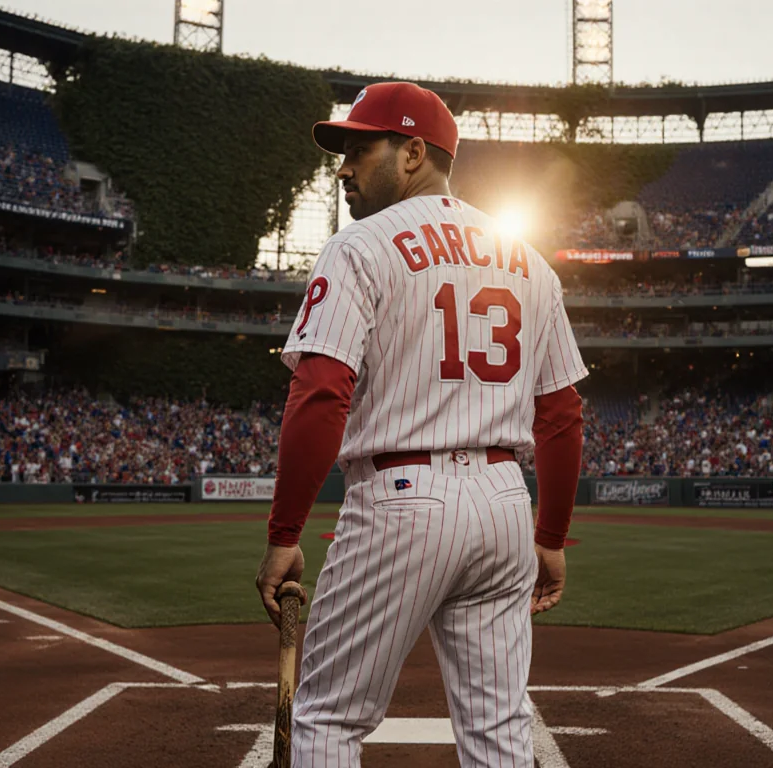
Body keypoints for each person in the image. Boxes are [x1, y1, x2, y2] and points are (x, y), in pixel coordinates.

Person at [253, 81, 587, 768]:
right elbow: (561, 413)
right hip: (502, 506)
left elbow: (320, 393)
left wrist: (285, 533)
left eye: (358, 149)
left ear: (411, 153)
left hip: (403, 501)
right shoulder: (529, 260)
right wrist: (549, 538)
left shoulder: (358, 247)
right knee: (499, 728)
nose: (343, 168)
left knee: (327, 719)